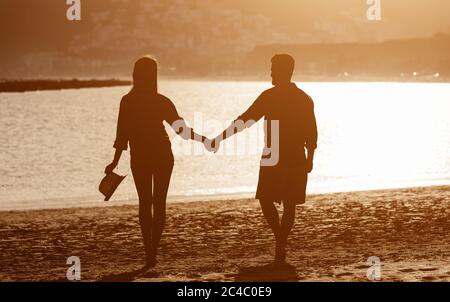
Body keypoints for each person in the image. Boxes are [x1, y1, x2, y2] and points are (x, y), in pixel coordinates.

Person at [104, 56, 212, 269]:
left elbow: (122, 135)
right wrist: (204, 140)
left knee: (145, 203)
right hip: (163, 155)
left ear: (136, 74)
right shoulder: (161, 101)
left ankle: (149, 251)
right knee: (159, 202)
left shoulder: (128, 101)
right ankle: (153, 248)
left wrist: (114, 162)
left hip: (141, 157)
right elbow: (181, 130)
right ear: (154, 75)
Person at [212, 54, 318, 263]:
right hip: (295, 153)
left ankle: (279, 240)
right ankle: (281, 241)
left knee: (267, 198)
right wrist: (310, 157)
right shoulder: (303, 98)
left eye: (273, 69)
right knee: (288, 204)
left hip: (275, 153)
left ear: (282, 71)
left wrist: (220, 138)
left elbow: (245, 119)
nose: (270, 73)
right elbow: (312, 132)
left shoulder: (270, 96)